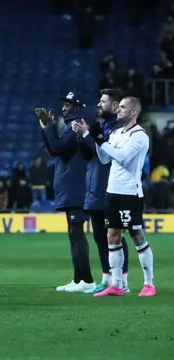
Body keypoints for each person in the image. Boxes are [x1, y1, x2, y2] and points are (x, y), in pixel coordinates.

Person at [73, 97, 156, 297]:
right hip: (112, 191)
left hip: (129, 193)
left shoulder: (139, 136)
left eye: (124, 107)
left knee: (136, 235)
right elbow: (104, 158)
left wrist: (98, 139)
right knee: (112, 235)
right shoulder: (117, 133)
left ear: (134, 111)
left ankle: (149, 284)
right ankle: (117, 285)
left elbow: (123, 157)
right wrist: (92, 137)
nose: (119, 110)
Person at [37, 91, 94, 293]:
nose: (63, 108)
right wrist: (47, 129)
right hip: (73, 187)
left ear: (77, 107)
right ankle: (78, 280)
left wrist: (48, 128)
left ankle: (86, 279)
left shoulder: (75, 126)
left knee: (77, 233)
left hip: (75, 188)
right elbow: (56, 148)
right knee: (73, 233)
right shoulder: (73, 126)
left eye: (68, 105)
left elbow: (56, 148)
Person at [74, 88, 130, 294]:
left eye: (103, 101)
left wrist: (88, 134)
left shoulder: (119, 130)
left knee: (116, 236)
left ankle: (122, 280)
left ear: (115, 106)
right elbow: (89, 156)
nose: (98, 104)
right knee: (99, 236)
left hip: (110, 188)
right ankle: (106, 279)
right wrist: (81, 137)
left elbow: (106, 154)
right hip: (95, 187)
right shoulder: (103, 126)